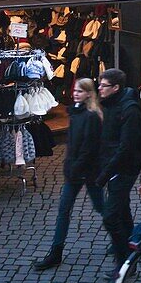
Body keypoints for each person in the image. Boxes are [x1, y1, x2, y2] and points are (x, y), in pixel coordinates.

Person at [33, 78, 104, 271]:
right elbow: (74, 145)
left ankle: (121, 239)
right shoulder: (76, 113)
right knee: (64, 210)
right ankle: (56, 252)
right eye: (75, 90)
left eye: (80, 91)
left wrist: (75, 166)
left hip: (88, 171)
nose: (75, 93)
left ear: (89, 94)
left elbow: (89, 147)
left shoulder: (91, 116)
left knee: (102, 208)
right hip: (74, 171)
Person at [96, 68, 141, 278]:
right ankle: (131, 245)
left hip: (125, 168)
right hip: (114, 166)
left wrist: (103, 175)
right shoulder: (110, 105)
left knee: (111, 216)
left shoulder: (128, 110)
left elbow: (125, 148)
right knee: (122, 210)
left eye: (103, 85)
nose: (99, 88)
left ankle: (125, 264)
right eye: (99, 84)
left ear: (116, 88)